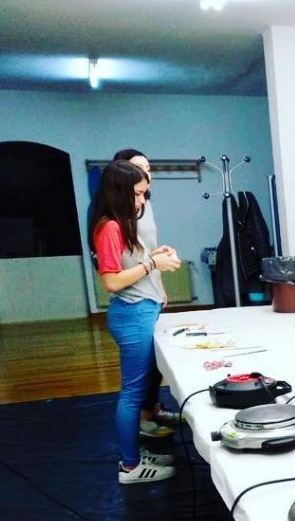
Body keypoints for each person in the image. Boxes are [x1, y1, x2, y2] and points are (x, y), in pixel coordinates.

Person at [90, 161, 183, 484]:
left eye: (144, 194)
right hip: (132, 316)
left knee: (139, 389)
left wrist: (154, 255)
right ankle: (130, 467)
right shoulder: (110, 227)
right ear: (119, 192)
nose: (142, 201)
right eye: (137, 194)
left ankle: (134, 455)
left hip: (142, 311)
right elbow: (112, 282)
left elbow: (130, 264)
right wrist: (151, 264)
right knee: (132, 394)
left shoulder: (122, 224)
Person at [111, 148, 180, 441]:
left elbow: (142, 249)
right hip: (132, 303)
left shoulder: (144, 204)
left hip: (149, 297)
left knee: (154, 361)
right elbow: (113, 277)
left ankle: (152, 409)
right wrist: (151, 263)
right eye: (139, 169)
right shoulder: (111, 220)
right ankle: (136, 441)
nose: (146, 175)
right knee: (133, 386)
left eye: (149, 168)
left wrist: (158, 280)